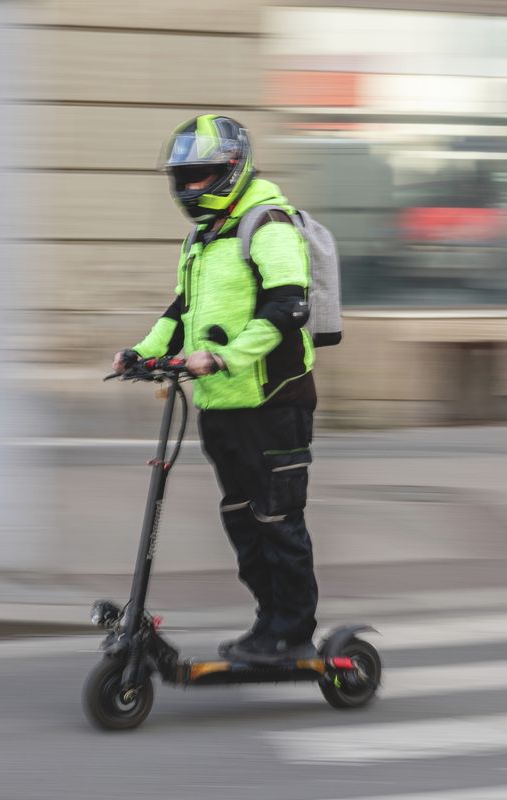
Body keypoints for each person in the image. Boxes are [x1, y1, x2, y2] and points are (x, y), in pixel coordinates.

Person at [112, 115, 320, 664]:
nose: (189, 187)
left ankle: (293, 631)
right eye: (183, 177)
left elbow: (288, 307)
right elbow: (182, 312)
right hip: (221, 401)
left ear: (232, 169)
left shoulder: (268, 223)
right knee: (242, 518)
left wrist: (223, 356)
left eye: (201, 175)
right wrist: (142, 352)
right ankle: (267, 622)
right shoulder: (202, 238)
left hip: (274, 400)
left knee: (277, 519)